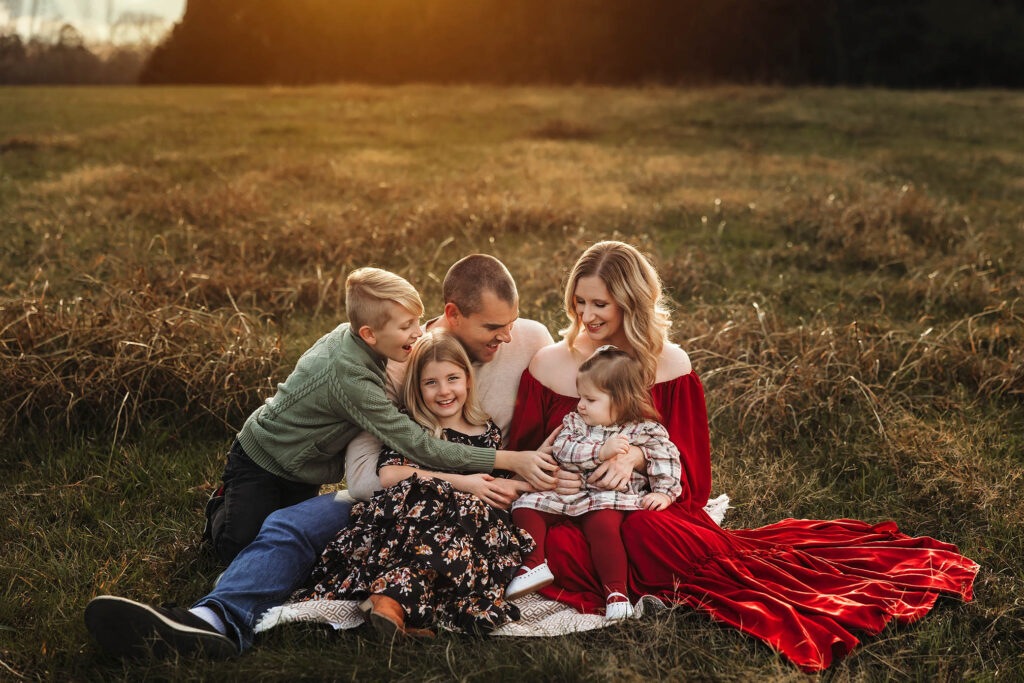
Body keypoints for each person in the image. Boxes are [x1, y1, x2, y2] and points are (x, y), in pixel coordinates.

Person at [506, 240, 978, 672]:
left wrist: (638, 461)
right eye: (579, 301)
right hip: (567, 506)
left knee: (645, 532)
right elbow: (523, 453)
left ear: (630, 303)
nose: (586, 315)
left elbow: (692, 477)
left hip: (642, 504)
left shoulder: (668, 365)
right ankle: (610, 582)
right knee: (562, 546)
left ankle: (640, 580)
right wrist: (548, 479)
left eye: (600, 304)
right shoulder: (551, 363)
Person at [84, 254, 555, 658]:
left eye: (511, 324)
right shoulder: (390, 369)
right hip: (396, 495)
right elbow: (365, 480)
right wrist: (471, 475)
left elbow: (584, 384)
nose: (507, 338)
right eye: (494, 328)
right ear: (453, 314)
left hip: (489, 505)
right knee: (288, 527)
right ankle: (213, 620)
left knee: (274, 532)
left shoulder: (530, 338)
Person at [203, 266, 542, 564]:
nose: (420, 332)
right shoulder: (354, 380)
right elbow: (418, 445)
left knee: (278, 536)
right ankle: (221, 507)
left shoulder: (367, 343)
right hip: (263, 457)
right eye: (407, 325)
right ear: (369, 333)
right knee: (237, 548)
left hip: (303, 469)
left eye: (416, 321)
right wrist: (508, 459)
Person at [291, 332, 534, 636]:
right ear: (417, 389)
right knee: (429, 509)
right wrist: (463, 484)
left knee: (465, 522)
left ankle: (390, 604)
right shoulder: (412, 427)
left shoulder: (487, 431)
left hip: (458, 532)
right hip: (411, 525)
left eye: (453, 378)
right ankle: (393, 605)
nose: (444, 391)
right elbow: (391, 474)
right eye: (431, 382)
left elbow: (492, 485)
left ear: (468, 381)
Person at [506, 346, 681, 621]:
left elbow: (666, 457)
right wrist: (599, 452)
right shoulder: (575, 423)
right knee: (525, 507)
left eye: (590, 399)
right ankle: (534, 564)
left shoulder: (643, 429)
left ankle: (616, 592)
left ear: (622, 402)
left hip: (607, 496)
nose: (580, 405)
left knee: (604, 527)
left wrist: (664, 493)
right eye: (580, 397)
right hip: (566, 492)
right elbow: (563, 448)